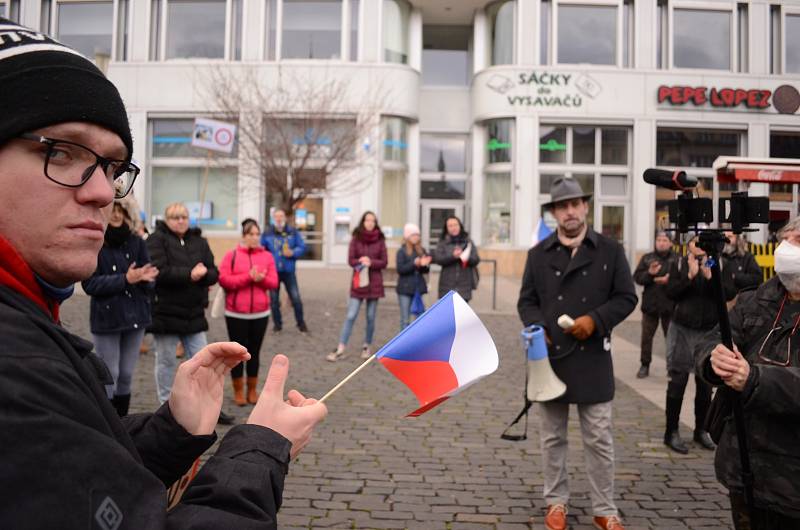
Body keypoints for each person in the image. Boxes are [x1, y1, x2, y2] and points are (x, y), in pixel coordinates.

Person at [0, 17, 327, 527]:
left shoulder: (32, 316)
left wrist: (171, 431)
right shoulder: (14, 363)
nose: (103, 192)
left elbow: (85, 473)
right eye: (61, 152)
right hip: (157, 313)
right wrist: (261, 448)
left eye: (112, 168)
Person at [517, 177, 637, 530]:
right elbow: (527, 301)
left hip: (594, 357)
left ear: (586, 207)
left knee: (599, 437)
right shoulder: (538, 255)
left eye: (575, 204)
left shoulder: (611, 251)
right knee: (552, 437)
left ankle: (604, 507)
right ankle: (555, 502)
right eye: (562, 206)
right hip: (551, 358)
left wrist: (595, 320)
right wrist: (538, 327)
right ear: (554, 212)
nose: (569, 211)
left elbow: (627, 298)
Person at [698, 217, 800, 529]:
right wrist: (713, 360)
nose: (790, 247)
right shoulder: (756, 298)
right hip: (744, 465)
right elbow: (715, 337)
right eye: (791, 238)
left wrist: (754, 380)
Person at [147, 202, 235, 424]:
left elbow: (214, 272)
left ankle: (207, 404)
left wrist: (205, 274)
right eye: (175, 217)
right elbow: (159, 272)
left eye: (184, 217)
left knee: (204, 362)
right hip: (165, 312)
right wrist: (189, 274)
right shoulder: (157, 240)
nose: (180, 221)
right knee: (166, 362)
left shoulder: (200, 241)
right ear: (167, 219)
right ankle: (165, 405)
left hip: (194, 313)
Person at [82, 201, 158, 416]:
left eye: (120, 210)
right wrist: (125, 279)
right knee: (110, 374)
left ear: (127, 214)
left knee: (125, 374)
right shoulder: (95, 241)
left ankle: (122, 422)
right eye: (112, 210)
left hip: (136, 316)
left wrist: (146, 279)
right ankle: (107, 420)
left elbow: (148, 276)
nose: (116, 215)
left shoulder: (137, 242)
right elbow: (90, 284)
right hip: (107, 318)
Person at [663, 234, 736, 454]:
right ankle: (671, 431)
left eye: (703, 245)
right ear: (688, 247)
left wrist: (711, 276)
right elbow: (670, 293)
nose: (700, 248)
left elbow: (729, 293)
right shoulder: (678, 263)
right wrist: (689, 276)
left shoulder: (716, 263)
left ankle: (701, 430)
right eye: (696, 244)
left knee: (705, 385)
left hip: (708, 332)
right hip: (682, 329)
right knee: (678, 381)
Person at [219, 218, 279, 406]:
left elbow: (274, 283)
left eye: (257, 234)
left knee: (254, 352)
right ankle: (238, 390)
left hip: (260, 313)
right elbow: (225, 280)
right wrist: (248, 277)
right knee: (237, 354)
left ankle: (252, 390)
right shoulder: (231, 255)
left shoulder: (267, 256)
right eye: (250, 234)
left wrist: (260, 279)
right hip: (236, 313)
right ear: (243, 236)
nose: (254, 237)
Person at [328, 211, 387, 362]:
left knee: (370, 317)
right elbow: (350, 259)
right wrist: (360, 261)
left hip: (374, 283)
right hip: (358, 283)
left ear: (375, 223)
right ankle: (341, 347)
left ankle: (367, 345)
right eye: (367, 220)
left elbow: (384, 262)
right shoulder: (356, 238)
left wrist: (371, 262)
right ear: (363, 222)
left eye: (373, 221)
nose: (370, 223)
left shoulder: (380, 239)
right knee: (350, 315)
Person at [632, 231, 677, 378]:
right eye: (659, 240)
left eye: (664, 240)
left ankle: (672, 367)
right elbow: (637, 278)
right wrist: (650, 274)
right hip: (650, 306)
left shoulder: (676, 259)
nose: (661, 243)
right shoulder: (647, 258)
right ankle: (645, 365)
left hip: (669, 306)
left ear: (670, 243)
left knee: (671, 339)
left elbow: (683, 281)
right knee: (646, 338)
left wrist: (669, 280)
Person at [261, 208, 309, 333]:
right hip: (273, 272)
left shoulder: (292, 231)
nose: (279, 219)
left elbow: (302, 246)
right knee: (274, 300)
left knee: (296, 298)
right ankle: (278, 325)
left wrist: (293, 252)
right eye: (276, 216)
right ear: (273, 218)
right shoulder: (267, 232)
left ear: (285, 218)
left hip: (288, 271)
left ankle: (301, 323)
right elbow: (261, 250)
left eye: (281, 216)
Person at [433, 215, 480, 302]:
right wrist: (453, 256)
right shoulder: (442, 242)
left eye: (455, 225)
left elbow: (476, 259)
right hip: (446, 286)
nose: (453, 227)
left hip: (464, 286)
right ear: (446, 228)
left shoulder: (468, 241)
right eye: (450, 226)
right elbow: (438, 259)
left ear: (460, 226)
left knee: (462, 315)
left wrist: (464, 257)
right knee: (448, 315)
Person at [396, 223, 432, 330]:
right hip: (405, 289)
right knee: (405, 319)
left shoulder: (422, 250)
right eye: (413, 235)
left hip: (418, 288)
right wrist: (414, 263)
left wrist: (424, 264)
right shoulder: (401, 251)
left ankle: (417, 343)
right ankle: (404, 345)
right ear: (407, 236)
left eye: (417, 235)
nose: (416, 237)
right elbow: (401, 269)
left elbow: (426, 270)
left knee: (420, 317)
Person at [722, 230, 763, 298]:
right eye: (724, 237)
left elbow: (757, 278)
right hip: (723, 300)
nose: (726, 240)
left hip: (743, 300)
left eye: (730, 237)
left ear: (737, 239)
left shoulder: (747, 257)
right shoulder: (719, 258)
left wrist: (735, 277)